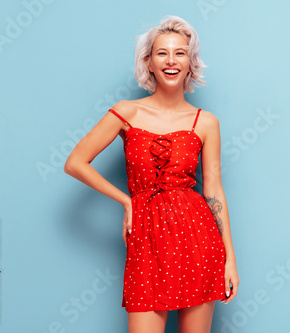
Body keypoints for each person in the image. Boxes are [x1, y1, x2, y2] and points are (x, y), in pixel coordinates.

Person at [64, 15, 239, 333]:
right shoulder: (127, 111)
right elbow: (75, 162)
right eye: (162, 53)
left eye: (180, 53)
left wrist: (230, 259)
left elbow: (214, 191)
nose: (171, 61)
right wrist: (126, 201)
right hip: (146, 239)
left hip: (199, 242)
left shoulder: (206, 122)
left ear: (190, 63)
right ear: (149, 61)